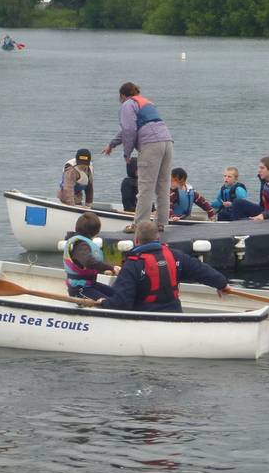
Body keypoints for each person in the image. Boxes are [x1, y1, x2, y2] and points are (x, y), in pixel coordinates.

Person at [74, 221, 231, 312]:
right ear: (157, 238)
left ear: (136, 241)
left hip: (147, 317)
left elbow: (121, 303)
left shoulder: (132, 265)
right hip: (175, 313)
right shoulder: (176, 256)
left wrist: (104, 303)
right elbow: (201, 270)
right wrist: (221, 283)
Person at [102, 82, 174, 234]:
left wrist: (127, 153)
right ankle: (161, 223)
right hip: (167, 142)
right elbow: (132, 128)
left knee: (145, 187)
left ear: (122, 95)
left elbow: (129, 129)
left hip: (151, 145)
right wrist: (112, 144)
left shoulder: (127, 104)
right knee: (163, 186)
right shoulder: (146, 103)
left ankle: (139, 225)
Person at [63, 212, 120, 301]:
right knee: (111, 302)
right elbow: (87, 261)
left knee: (117, 295)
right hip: (79, 289)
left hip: (90, 284)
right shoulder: (80, 244)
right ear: (96, 231)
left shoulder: (82, 243)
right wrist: (111, 267)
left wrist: (105, 269)